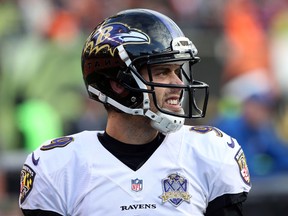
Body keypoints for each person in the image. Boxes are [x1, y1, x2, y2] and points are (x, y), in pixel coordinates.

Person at [19, 9, 251, 215]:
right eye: (162, 72)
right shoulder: (60, 167)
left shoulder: (209, 153)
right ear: (119, 84)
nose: (178, 84)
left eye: (177, 71)